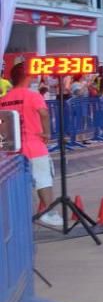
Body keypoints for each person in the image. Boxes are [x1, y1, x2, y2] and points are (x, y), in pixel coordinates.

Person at [0, 63, 61, 227]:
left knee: (16, 182)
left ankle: (17, 215)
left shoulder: (4, 99)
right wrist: (47, 133)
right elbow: (44, 113)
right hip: (34, 145)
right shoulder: (33, 95)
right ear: (27, 76)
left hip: (12, 149)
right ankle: (49, 213)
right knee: (43, 179)